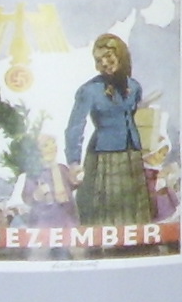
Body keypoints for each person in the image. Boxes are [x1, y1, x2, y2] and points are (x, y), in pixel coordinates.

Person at [64, 33, 157, 231]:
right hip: (103, 158)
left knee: (133, 217)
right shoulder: (89, 90)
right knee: (103, 218)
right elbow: (75, 126)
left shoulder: (135, 87)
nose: (104, 63)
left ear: (120, 55)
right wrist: (73, 162)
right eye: (99, 60)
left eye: (108, 56)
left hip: (132, 156)